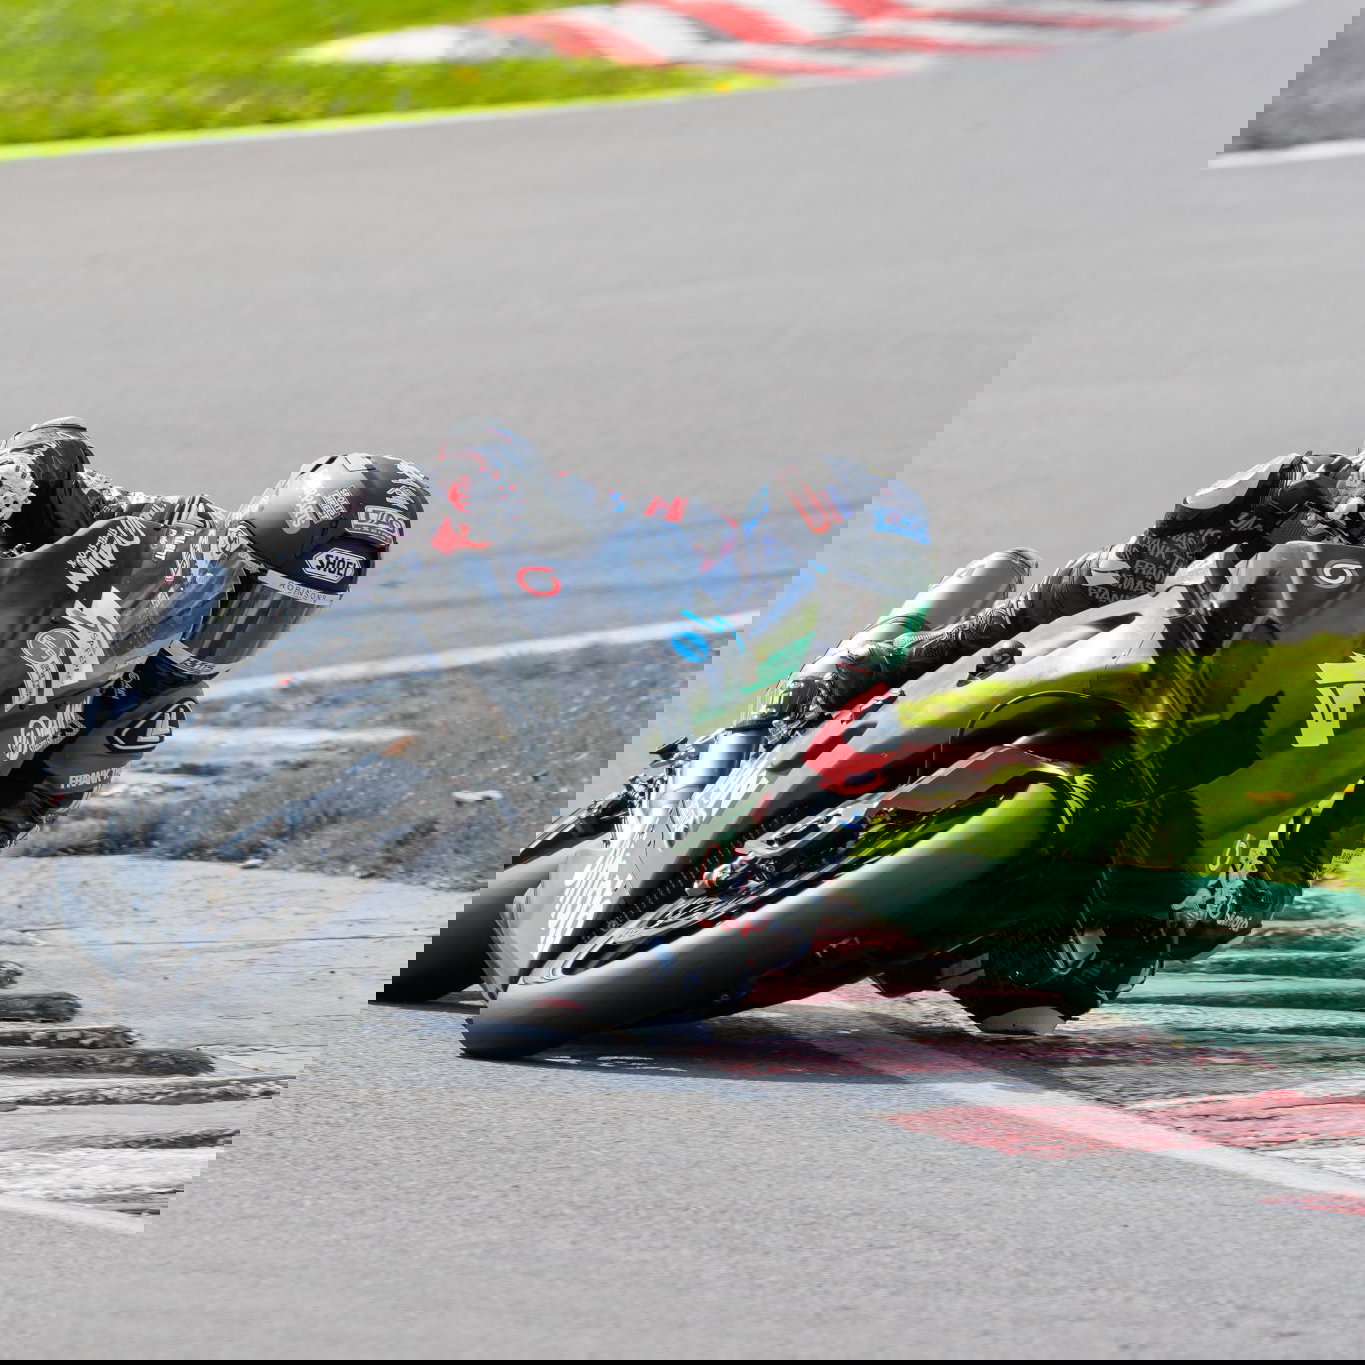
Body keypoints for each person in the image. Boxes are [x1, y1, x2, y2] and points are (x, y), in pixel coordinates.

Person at [0, 417, 427, 847]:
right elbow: (52, 784)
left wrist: (27, 466)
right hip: (78, 652)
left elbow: (53, 447)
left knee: (374, 491)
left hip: (89, 580)